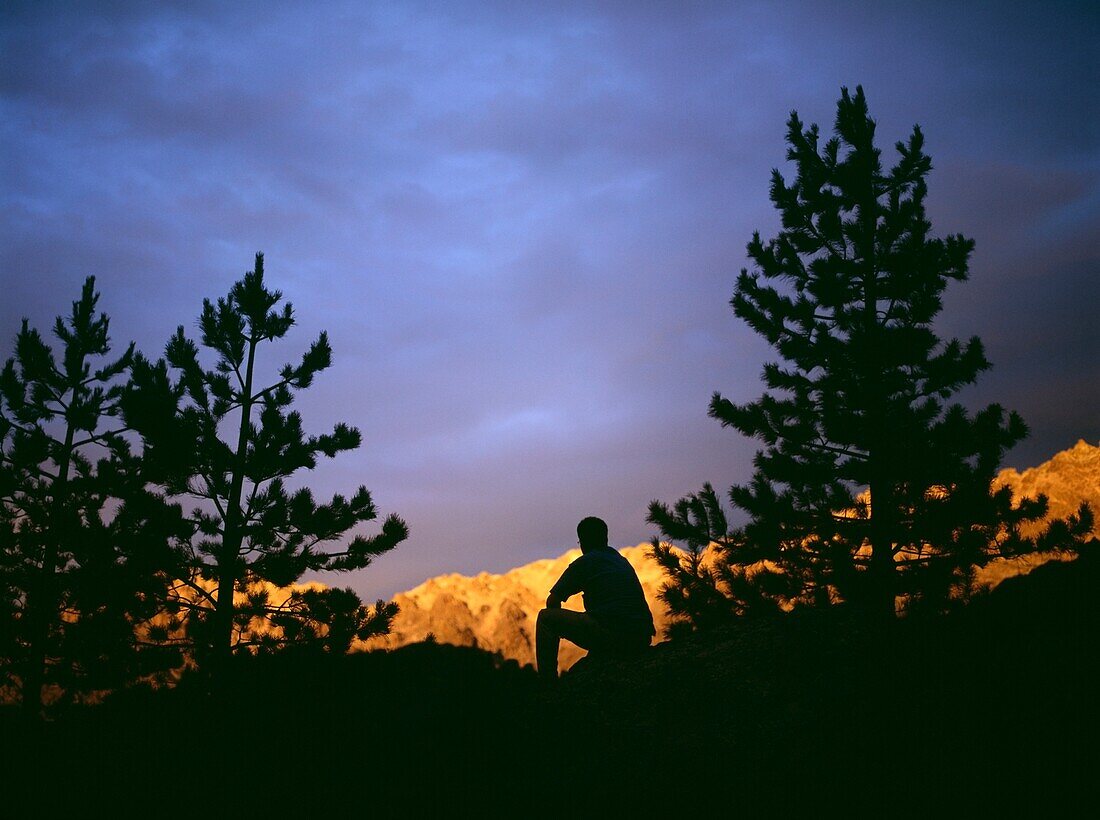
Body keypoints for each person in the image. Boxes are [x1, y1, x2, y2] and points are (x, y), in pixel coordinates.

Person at [536, 516, 655, 680]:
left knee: (545, 618)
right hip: (641, 638)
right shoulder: (621, 561)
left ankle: (547, 682)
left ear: (582, 541)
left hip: (613, 635)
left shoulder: (585, 563)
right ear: (605, 538)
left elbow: (552, 602)